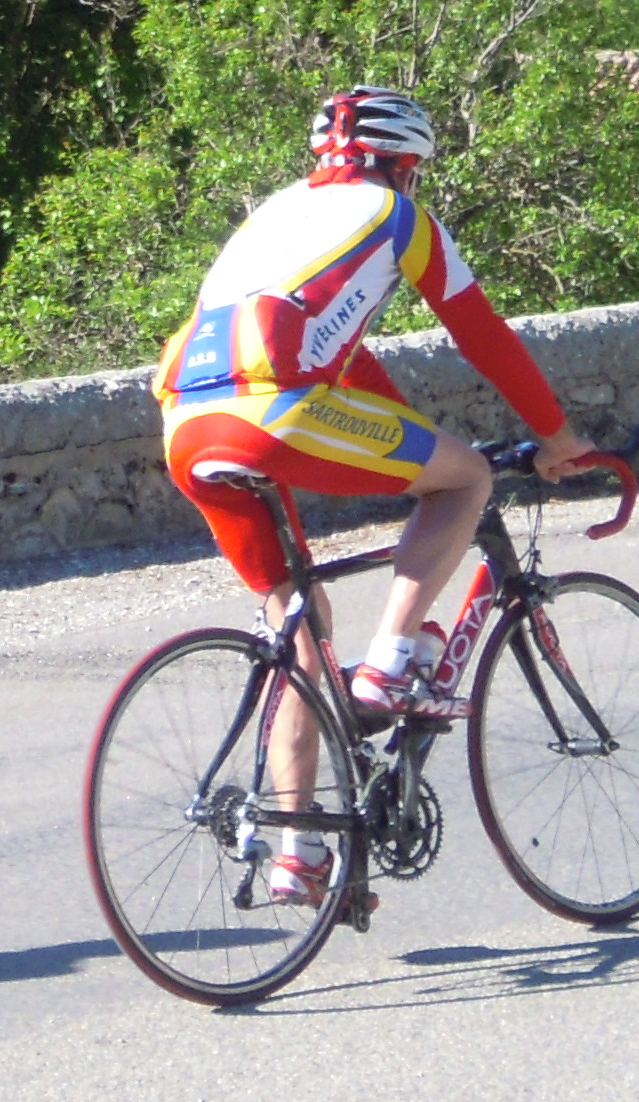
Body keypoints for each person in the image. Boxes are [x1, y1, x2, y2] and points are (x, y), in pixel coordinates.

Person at [152, 86, 592, 905]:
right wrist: (558, 436)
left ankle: (298, 853)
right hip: (277, 409)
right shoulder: (398, 217)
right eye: (416, 170)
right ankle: (391, 664)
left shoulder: (275, 217)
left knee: (301, 628)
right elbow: (481, 333)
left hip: (187, 426)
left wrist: (414, 439)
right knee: (468, 478)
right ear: (403, 166)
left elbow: (346, 360)